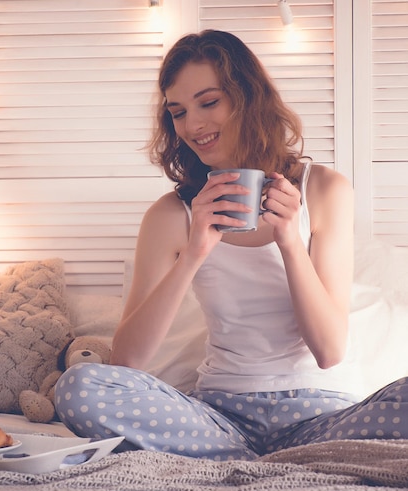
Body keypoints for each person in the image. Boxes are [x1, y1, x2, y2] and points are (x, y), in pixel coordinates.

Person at [54, 29, 408, 461]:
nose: (193, 125)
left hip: (321, 415)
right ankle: (266, 458)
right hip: (219, 417)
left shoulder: (324, 190)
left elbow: (330, 350)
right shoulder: (170, 216)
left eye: (209, 102)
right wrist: (195, 252)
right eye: (178, 112)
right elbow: (126, 361)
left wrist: (290, 242)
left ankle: (252, 457)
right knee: (78, 386)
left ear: (248, 97)